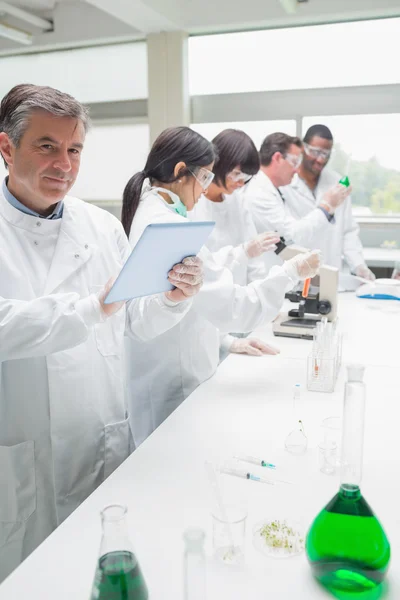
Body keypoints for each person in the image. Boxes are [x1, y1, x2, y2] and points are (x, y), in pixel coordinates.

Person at [0, 85, 203, 581]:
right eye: (46, 146)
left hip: (98, 435)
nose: (64, 164)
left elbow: (133, 320)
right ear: (6, 147)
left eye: (74, 150)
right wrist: (92, 307)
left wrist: (172, 299)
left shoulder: (101, 226)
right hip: (25, 449)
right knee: (28, 575)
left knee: (96, 567)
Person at [121, 126, 320, 448]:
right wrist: (290, 272)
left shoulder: (150, 212)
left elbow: (194, 294)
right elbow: (236, 308)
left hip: (163, 368)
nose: (204, 191)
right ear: (180, 172)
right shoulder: (169, 226)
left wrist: (224, 341)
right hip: (175, 377)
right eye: (204, 178)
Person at [189, 128, 281, 357]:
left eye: (246, 178)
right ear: (219, 163)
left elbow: (254, 261)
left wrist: (265, 302)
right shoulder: (194, 205)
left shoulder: (237, 202)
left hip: (239, 315)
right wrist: (227, 341)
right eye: (237, 174)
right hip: (205, 324)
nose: (241, 183)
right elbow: (199, 280)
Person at [280, 125, 375, 279]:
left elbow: (348, 231)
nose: (321, 159)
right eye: (315, 152)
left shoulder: (336, 183)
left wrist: (359, 266)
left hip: (329, 273)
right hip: (296, 275)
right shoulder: (286, 185)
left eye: (326, 153)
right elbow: (289, 233)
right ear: (303, 148)